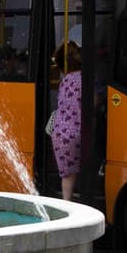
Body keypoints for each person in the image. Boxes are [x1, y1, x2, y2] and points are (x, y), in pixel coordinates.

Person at [50, 42, 82, 201]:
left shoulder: (66, 79)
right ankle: (68, 206)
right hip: (76, 132)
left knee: (67, 176)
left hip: (59, 131)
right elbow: (94, 101)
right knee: (73, 174)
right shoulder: (85, 78)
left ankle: (67, 202)